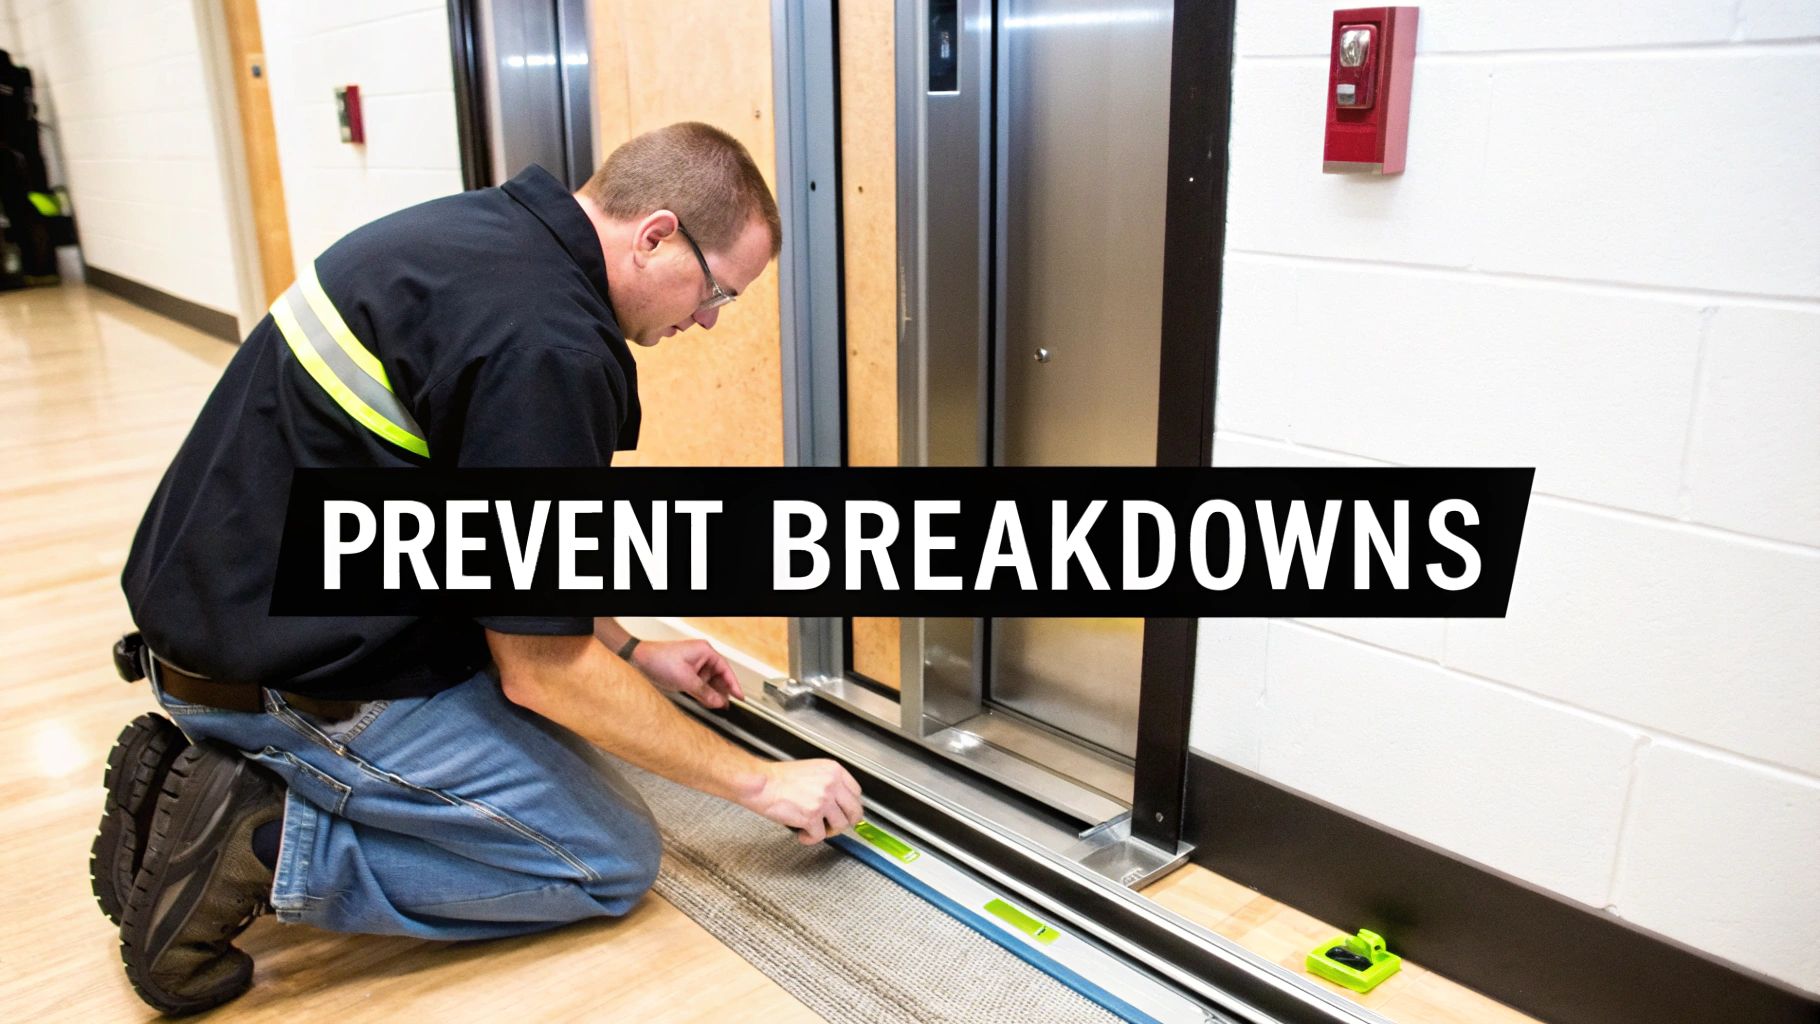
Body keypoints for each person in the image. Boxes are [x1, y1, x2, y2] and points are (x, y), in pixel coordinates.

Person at [97, 122, 864, 1016]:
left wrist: (629, 650)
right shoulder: (548, 347)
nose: (705, 320)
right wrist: (764, 780)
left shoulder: (478, 236)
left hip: (214, 615)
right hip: (281, 671)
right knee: (605, 858)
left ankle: (187, 792)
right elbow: (540, 670)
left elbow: (507, 542)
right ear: (656, 235)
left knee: (605, 725)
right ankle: (264, 838)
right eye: (718, 292)